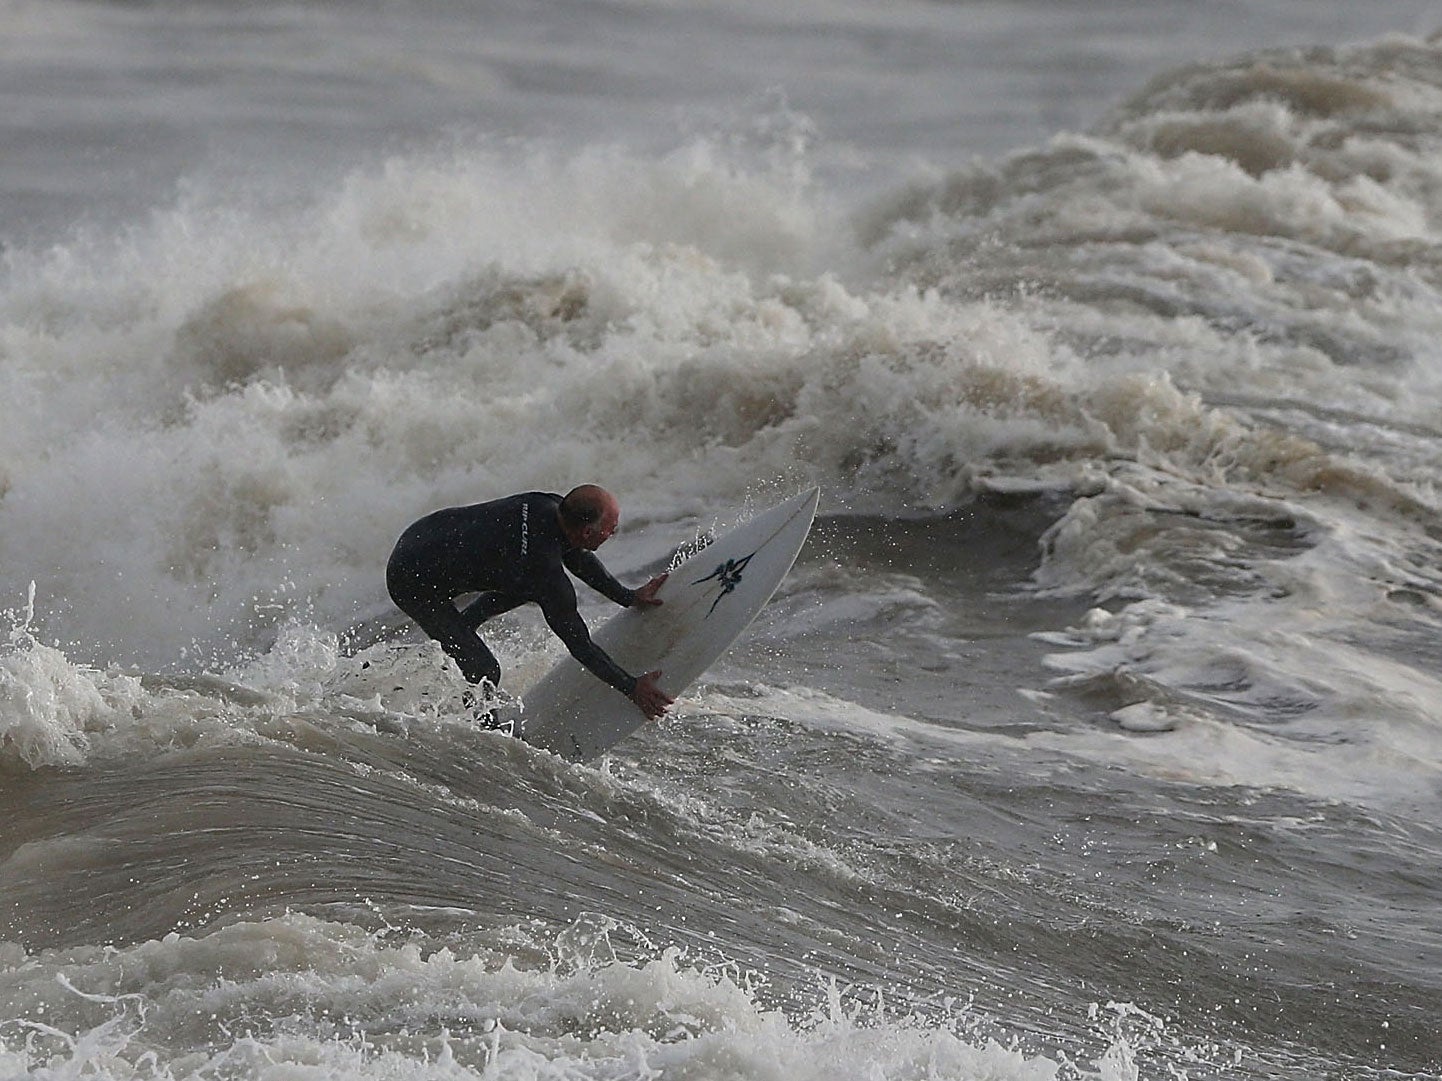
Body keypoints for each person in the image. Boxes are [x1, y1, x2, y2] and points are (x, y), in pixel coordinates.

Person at [386, 484, 674, 721]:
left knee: (521, 584)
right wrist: (632, 687)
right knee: (485, 668)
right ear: (588, 532)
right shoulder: (545, 573)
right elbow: (581, 646)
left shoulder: (549, 506)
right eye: (611, 528)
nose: (613, 533)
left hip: (423, 534)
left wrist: (629, 597)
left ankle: (460, 637)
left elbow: (576, 555)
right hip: (412, 580)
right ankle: (480, 726)